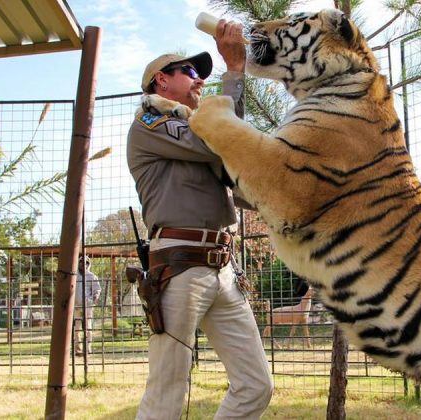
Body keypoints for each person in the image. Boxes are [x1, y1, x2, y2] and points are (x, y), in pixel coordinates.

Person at [126, 19, 273, 420]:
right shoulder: (150, 122)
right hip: (179, 265)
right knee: (167, 394)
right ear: (161, 80)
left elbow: (236, 158)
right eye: (190, 71)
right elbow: (222, 140)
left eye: (203, 75)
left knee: (256, 386)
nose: (199, 81)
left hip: (224, 269)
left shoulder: (197, 128)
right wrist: (235, 73)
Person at [75, 255, 101, 355]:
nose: (83, 264)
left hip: (88, 306)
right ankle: (78, 349)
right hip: (76, 306)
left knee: (88, 328)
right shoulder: (74, 275)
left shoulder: (92, 276)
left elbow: (97, 289)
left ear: (88, 264)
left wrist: (95, 298)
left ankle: (88, 348)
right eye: (82, 262)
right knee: (76, 329)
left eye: (86, 262)